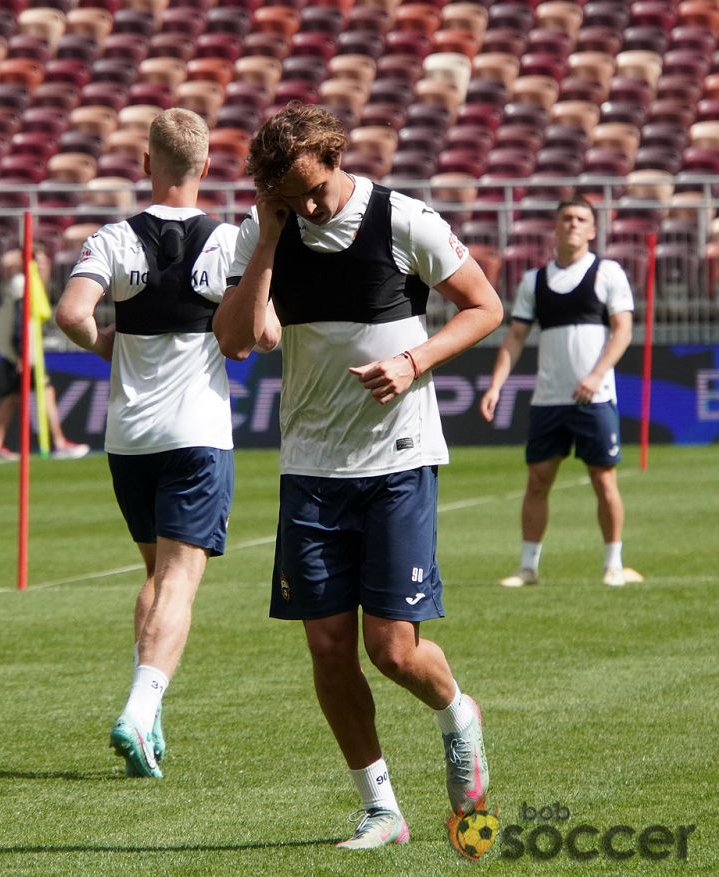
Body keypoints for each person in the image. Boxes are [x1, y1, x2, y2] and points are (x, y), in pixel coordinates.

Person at [213, 103, 503, 849]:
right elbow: (237, 340)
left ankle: (457, 714)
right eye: (291, 198)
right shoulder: (264, 233)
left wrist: (414, 361)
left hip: (399, 461)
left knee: (393, 649)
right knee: (328, 648)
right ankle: (381, 808)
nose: (309, 208)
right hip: (311, 470)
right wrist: (268, 239)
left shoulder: (403, 219)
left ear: (336, 158)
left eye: (315, 190)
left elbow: (485, 306)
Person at [55, 108, 239, 778]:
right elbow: (262, 332)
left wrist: (103, 343)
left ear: (145, 163)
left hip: (129, 437)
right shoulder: (228, 242)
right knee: (180, 583)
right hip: (197, 434)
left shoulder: (113, 238)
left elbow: (71, 312)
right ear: (206, 166)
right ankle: (139, 708)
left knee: (157, 577)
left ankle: (149, 714)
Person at [480, 196, 644, 588]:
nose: (572, 224)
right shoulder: (534, 281)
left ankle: (613, 565)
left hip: (594, 397)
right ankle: (528, 568)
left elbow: (623, 330)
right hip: (548, 399)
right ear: (555, 228)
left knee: (604, 480)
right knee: (538, 480)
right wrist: (496, 384)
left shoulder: (608, 272)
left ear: (592, 230)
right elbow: (515, 337)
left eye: (580, 219)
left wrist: (596, 375)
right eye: (566, 218)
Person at [0, 246, 90, 461]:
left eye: (44, 262)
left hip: (24, 350)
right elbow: (18, 321)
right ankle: (59, 443)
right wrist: (22, 354)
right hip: (19, 351)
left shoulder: (34, 284)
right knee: (40, 392)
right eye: (38, 262)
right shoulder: (22, 284)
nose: (42, 266)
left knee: (13, 397)